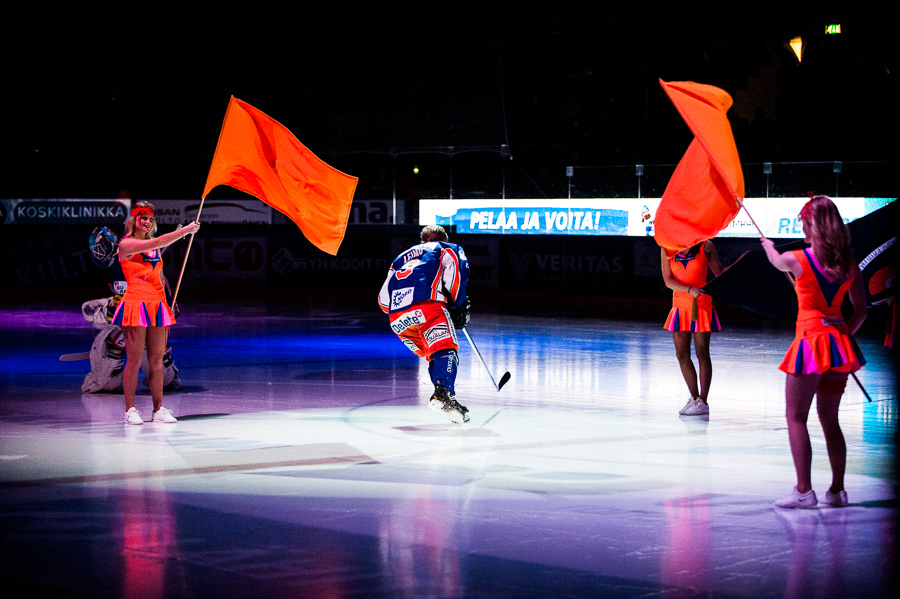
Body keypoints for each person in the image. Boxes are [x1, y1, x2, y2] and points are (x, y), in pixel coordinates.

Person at [762, 196, 866, 508]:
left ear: (812, 225)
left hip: (809, 343)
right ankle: (837, 490)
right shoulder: (850, 266)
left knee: (795, 417)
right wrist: (839, 335)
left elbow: (775, 260)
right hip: (838, 347)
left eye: (804, 222)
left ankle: (804, 491)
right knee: (830, 419)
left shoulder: (796, 259)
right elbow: (860, 313)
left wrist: (767, 244)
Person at [113, 201, 200, 425]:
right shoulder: (126, 244)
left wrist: (167, 302)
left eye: (151, 219)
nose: (147, 221)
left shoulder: (154, 248)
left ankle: (158, 409)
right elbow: (159, 241)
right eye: (143, 217)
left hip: (156, 305)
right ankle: (130, 409)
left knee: (156, 361)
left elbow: (159, 277)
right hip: (135, 304)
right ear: (134, 219)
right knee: (133, 360)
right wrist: (185, 231)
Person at [378, 225, 471, 423]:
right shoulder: (446, 247)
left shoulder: (399, 258)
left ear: (422, 240)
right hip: (427, 308)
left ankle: (446, 397)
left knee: (433, 354)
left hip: (397, 319)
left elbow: (383, 300)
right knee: (445, 350)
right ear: (444, 238)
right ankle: (443, 393)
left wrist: (403, 307)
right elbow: (456, 273)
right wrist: (457, 304)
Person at [660, 240, 724, 416]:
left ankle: (703, 401)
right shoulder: (668, 247)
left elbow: (720, 274)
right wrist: (689, 289)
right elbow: (668, 281)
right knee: (681, 354)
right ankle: (694, 398)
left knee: (702, 353)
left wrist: (739, 265)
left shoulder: (706, 246)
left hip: (701, 306)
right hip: (680, 306)